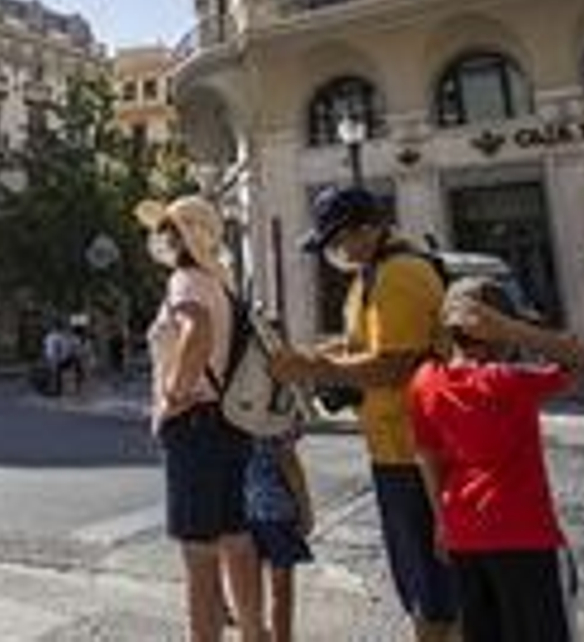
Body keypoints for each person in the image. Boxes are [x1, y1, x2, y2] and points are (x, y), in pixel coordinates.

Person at [271, 185, 459, 641]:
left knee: (434, 587)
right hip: (394, 449)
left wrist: (315, 365)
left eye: (339, 240)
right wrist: (326, 353)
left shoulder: (399, 275)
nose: (335, 252)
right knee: (415, 581)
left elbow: (395, 365)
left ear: (370, 228)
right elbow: (367, 346)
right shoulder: (371, 276)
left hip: (415, 451)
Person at [408, 277, 584, 642]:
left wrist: (442, 523)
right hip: (525, 534)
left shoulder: (425, 381)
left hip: (464, 532)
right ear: (497, 334)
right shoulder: (508, 381)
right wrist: (515, 329)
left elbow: (428, 458)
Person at [136, 194, 263, 642]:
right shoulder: (221, 282)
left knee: (199, 554)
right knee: (235, 537)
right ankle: (254, 633)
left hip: (195, 426)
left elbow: (197, 330)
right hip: (228, 421)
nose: (161, 237)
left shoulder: (185, 280)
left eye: (168, 229)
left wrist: (173, 394)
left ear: (184, 236)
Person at [244, 406, 315, 642]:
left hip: (240, 509)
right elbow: (289, 462)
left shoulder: (232, 400)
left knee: (249, 592)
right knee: (281, 590)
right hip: (278, 513)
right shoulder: (280, 403)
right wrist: (306, 509)